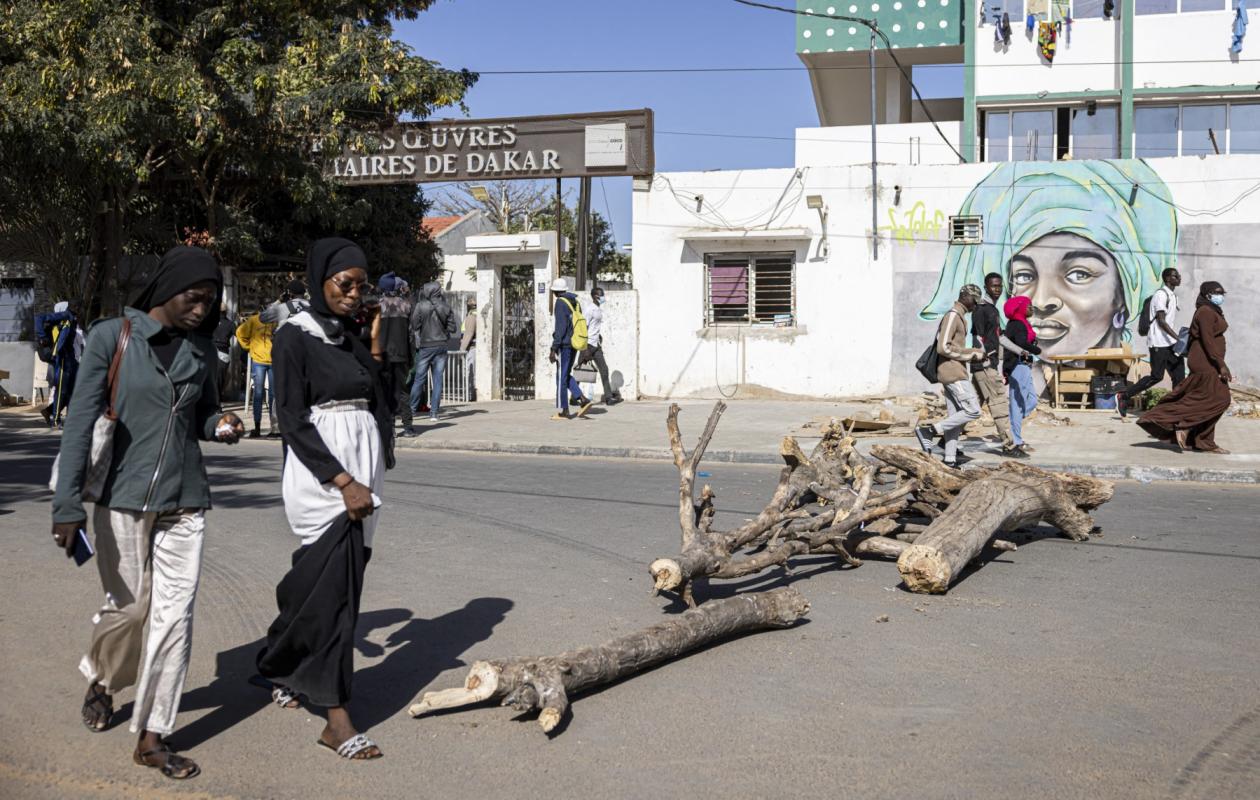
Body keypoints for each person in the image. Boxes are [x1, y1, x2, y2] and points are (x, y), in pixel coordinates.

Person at [50, 245, 244, 781]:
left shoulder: (202, 351)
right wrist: (66, 503)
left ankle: (153, 735)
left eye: (210, 301)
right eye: (194, 297)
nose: (202, 309)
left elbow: (201, 416)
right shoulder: (113, 337)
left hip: (186, 498)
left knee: (174, 618)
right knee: (130, 610)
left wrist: (220, 426)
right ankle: (104, 680)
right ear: (166, 289)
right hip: (121, 498)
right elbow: (80, 422)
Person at [257, 237, 394, 761]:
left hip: (363, 467)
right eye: (346, 284)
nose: (356, 293)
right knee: (335, 596)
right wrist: (342, 480)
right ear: (320, 281)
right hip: (328, 474)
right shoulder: (295, 335)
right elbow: (290, 418)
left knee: (325, 583)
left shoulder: (349, 336)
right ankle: (336, 720)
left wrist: (375, 340)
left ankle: (279, 662)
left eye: (362, 284)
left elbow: (380, 392)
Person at [922, 160, 1177, 370]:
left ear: (1125, 293)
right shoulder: (996, 321)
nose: (1042, 301)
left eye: (1078, 274)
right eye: (1023, 276)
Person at [1137, 282, 1233, 454]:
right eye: (1217, 293)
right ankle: (1183, 425)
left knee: (1204, 398)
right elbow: (1207, 340)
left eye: (1222, 293)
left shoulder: (1211, 310)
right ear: (1208, 294)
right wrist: (1221, 365)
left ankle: (1201, 441)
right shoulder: (1205, 312)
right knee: (1220, 399)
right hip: (1205, 362)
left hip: (1209, 361)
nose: (1221, 296)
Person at [915, 285, 987, 467]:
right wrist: (969, 355)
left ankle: (950, 459)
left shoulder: (960, 316)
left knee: (954, 420)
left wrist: (973, 352)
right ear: (966, 297)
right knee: (973, 410)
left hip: (955, 370)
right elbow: (943, 347)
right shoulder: (953, 315)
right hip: (953, 373)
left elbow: (954, 347)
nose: (975, 307)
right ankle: (929, 431)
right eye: (974, 302)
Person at [970, 273, 1027, 457]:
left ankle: (943, 438)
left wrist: (1020, 351)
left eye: (999, 286)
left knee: (969, 408)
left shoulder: (993, 311)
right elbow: (977, 337)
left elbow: (999, 337)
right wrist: (985, 360)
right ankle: (1009, 446)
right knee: (999, 405)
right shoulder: (981, 309)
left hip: (985, 365)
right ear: (986, 287)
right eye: (993, 286)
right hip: (985, 366)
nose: (997, 289)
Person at [1117, 268, 1185, 418]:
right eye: (1175, 276)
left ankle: (1175, 408)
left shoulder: (1173, 296)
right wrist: (1178, 338)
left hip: (1170, 342)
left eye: (1178, 275)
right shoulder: (1161, 295)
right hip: (1158, 343)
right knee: (1156, 376)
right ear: (1167, 278)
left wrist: (1176, 339)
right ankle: (1124, 396)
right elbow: (1161, 321)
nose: (1179, 277)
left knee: (1179, 376)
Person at [374, 272, 416, 437]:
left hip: (382, 356)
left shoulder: (376, 307)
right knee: (402, 390)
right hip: (401, 354)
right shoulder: (406, 306)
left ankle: (389, 425)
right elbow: (411, 334)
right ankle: (408, 427)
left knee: (384, 391)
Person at [409, 281, 456, 421]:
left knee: (419, 379)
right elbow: (453, 328)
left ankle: (411, 410)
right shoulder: (446, 306)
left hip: (425, 347)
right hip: (441, 346)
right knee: (438, 380)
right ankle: (434, 413)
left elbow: (414, 325)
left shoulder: (420, 305)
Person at [1002, 296, 1043, 455]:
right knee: (1017, 404)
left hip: (1023, 365)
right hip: (1018, 366)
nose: (1031, 308)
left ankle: (1014, 423)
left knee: (1031, 400)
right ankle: (1016, 439)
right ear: (1020, 308)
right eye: (1028, 305)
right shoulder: (1018, 324)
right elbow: (1021, 343)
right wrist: (1038, 351)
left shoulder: (1020, 323)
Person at [549, 278, 593, 420]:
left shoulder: (561, 303)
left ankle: (564, 410)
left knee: (561, 377)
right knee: (566, 374)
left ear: (555, 291)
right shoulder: (575, 302)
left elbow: (560, 328)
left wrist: (554, 348)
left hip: (564, 345)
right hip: (574, 343)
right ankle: (581, 398)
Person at [36, 301, 82, 427]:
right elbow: (39, 318)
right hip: (63, 359)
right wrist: (42, 337)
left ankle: (70, 419)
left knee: (72, 391)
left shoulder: (73, 319)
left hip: (72, 360)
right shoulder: (63, 316)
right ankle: (55, 420)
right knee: (61, 390)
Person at [235, 309, 277, 437]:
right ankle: (257, 427)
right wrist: (249, 347)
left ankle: (274, 428)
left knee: (272, 395)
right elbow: (240, 333)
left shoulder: (275, 322)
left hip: (272, 361)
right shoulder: (254, 320)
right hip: (259, 361)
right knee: (259, 394)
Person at [579, 287, 623, 405]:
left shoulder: (598, 309)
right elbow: (584, 328)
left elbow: (594, 326)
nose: (603, 296)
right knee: (579, 370)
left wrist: (599, 336)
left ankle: (608, 398)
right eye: (601, 295)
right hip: (587, 345)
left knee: (604, 369)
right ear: (595, 296)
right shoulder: (589, 310)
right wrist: (585, 348)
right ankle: (575, 396)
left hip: (596, 345)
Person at [211, 303, 236, 394]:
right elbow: (240, 335)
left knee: (209, 379)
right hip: (223, 352)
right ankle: (218, 401)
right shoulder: (231, 324)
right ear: (226, 312)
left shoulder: (210, 322)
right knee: (220, 379)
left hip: (210, 350)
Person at [459, 297, 477, 402]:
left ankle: (469, 395)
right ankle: (470, 394)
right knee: (471, 372)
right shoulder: (475, 315)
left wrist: (461, 350)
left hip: (470, 348)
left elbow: (468, 334)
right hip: (472, 347)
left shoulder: (471, 316)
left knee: (469, 372)